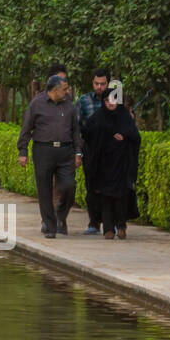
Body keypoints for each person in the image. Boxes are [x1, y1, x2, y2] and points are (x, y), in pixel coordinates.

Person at [17, 73, 81, 238]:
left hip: (65, 151)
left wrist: (78, 152)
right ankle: (50, 226)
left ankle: (60, 214)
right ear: (55, 90)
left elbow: (75, 131)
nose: (67, 92)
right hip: (43, 151)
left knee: (69, 186)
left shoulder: (69, 105)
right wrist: (22, 151)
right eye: (65, 89)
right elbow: (26, 129)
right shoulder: (37, 104)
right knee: (44, 189)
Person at [82, 86, 142, 239]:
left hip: (121, 165)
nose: (110, 103)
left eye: (113, 100)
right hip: (103, 165)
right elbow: (87, 134)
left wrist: (125, 136)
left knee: (121, 196)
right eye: (107, 100)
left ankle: (121, 226)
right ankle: (108, 229)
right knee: (105, 197)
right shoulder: (98, 117)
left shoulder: (125, 117)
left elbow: (135, 137)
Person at [76, 68, 111, 235]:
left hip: (110, 152)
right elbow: (76, 125)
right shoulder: (84, 100)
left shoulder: (114, 101)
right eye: (96, 83)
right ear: (92, 83)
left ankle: (111, 224)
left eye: (102, 84)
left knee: (110, 188)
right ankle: (94, 223)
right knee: (91, 188)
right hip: (90, 150)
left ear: (108, 84)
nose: (99, 87)